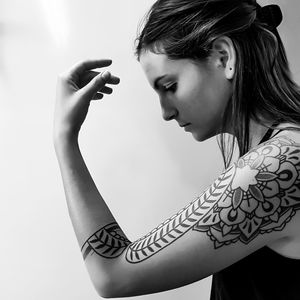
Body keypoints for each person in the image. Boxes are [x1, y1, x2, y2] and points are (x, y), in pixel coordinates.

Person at [53, 0, 300, 299]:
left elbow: (113, 273)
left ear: (223, 57)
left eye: (169, 86)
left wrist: (64, 138)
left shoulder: (278, 164)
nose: (166, 112)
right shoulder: (279, 154)